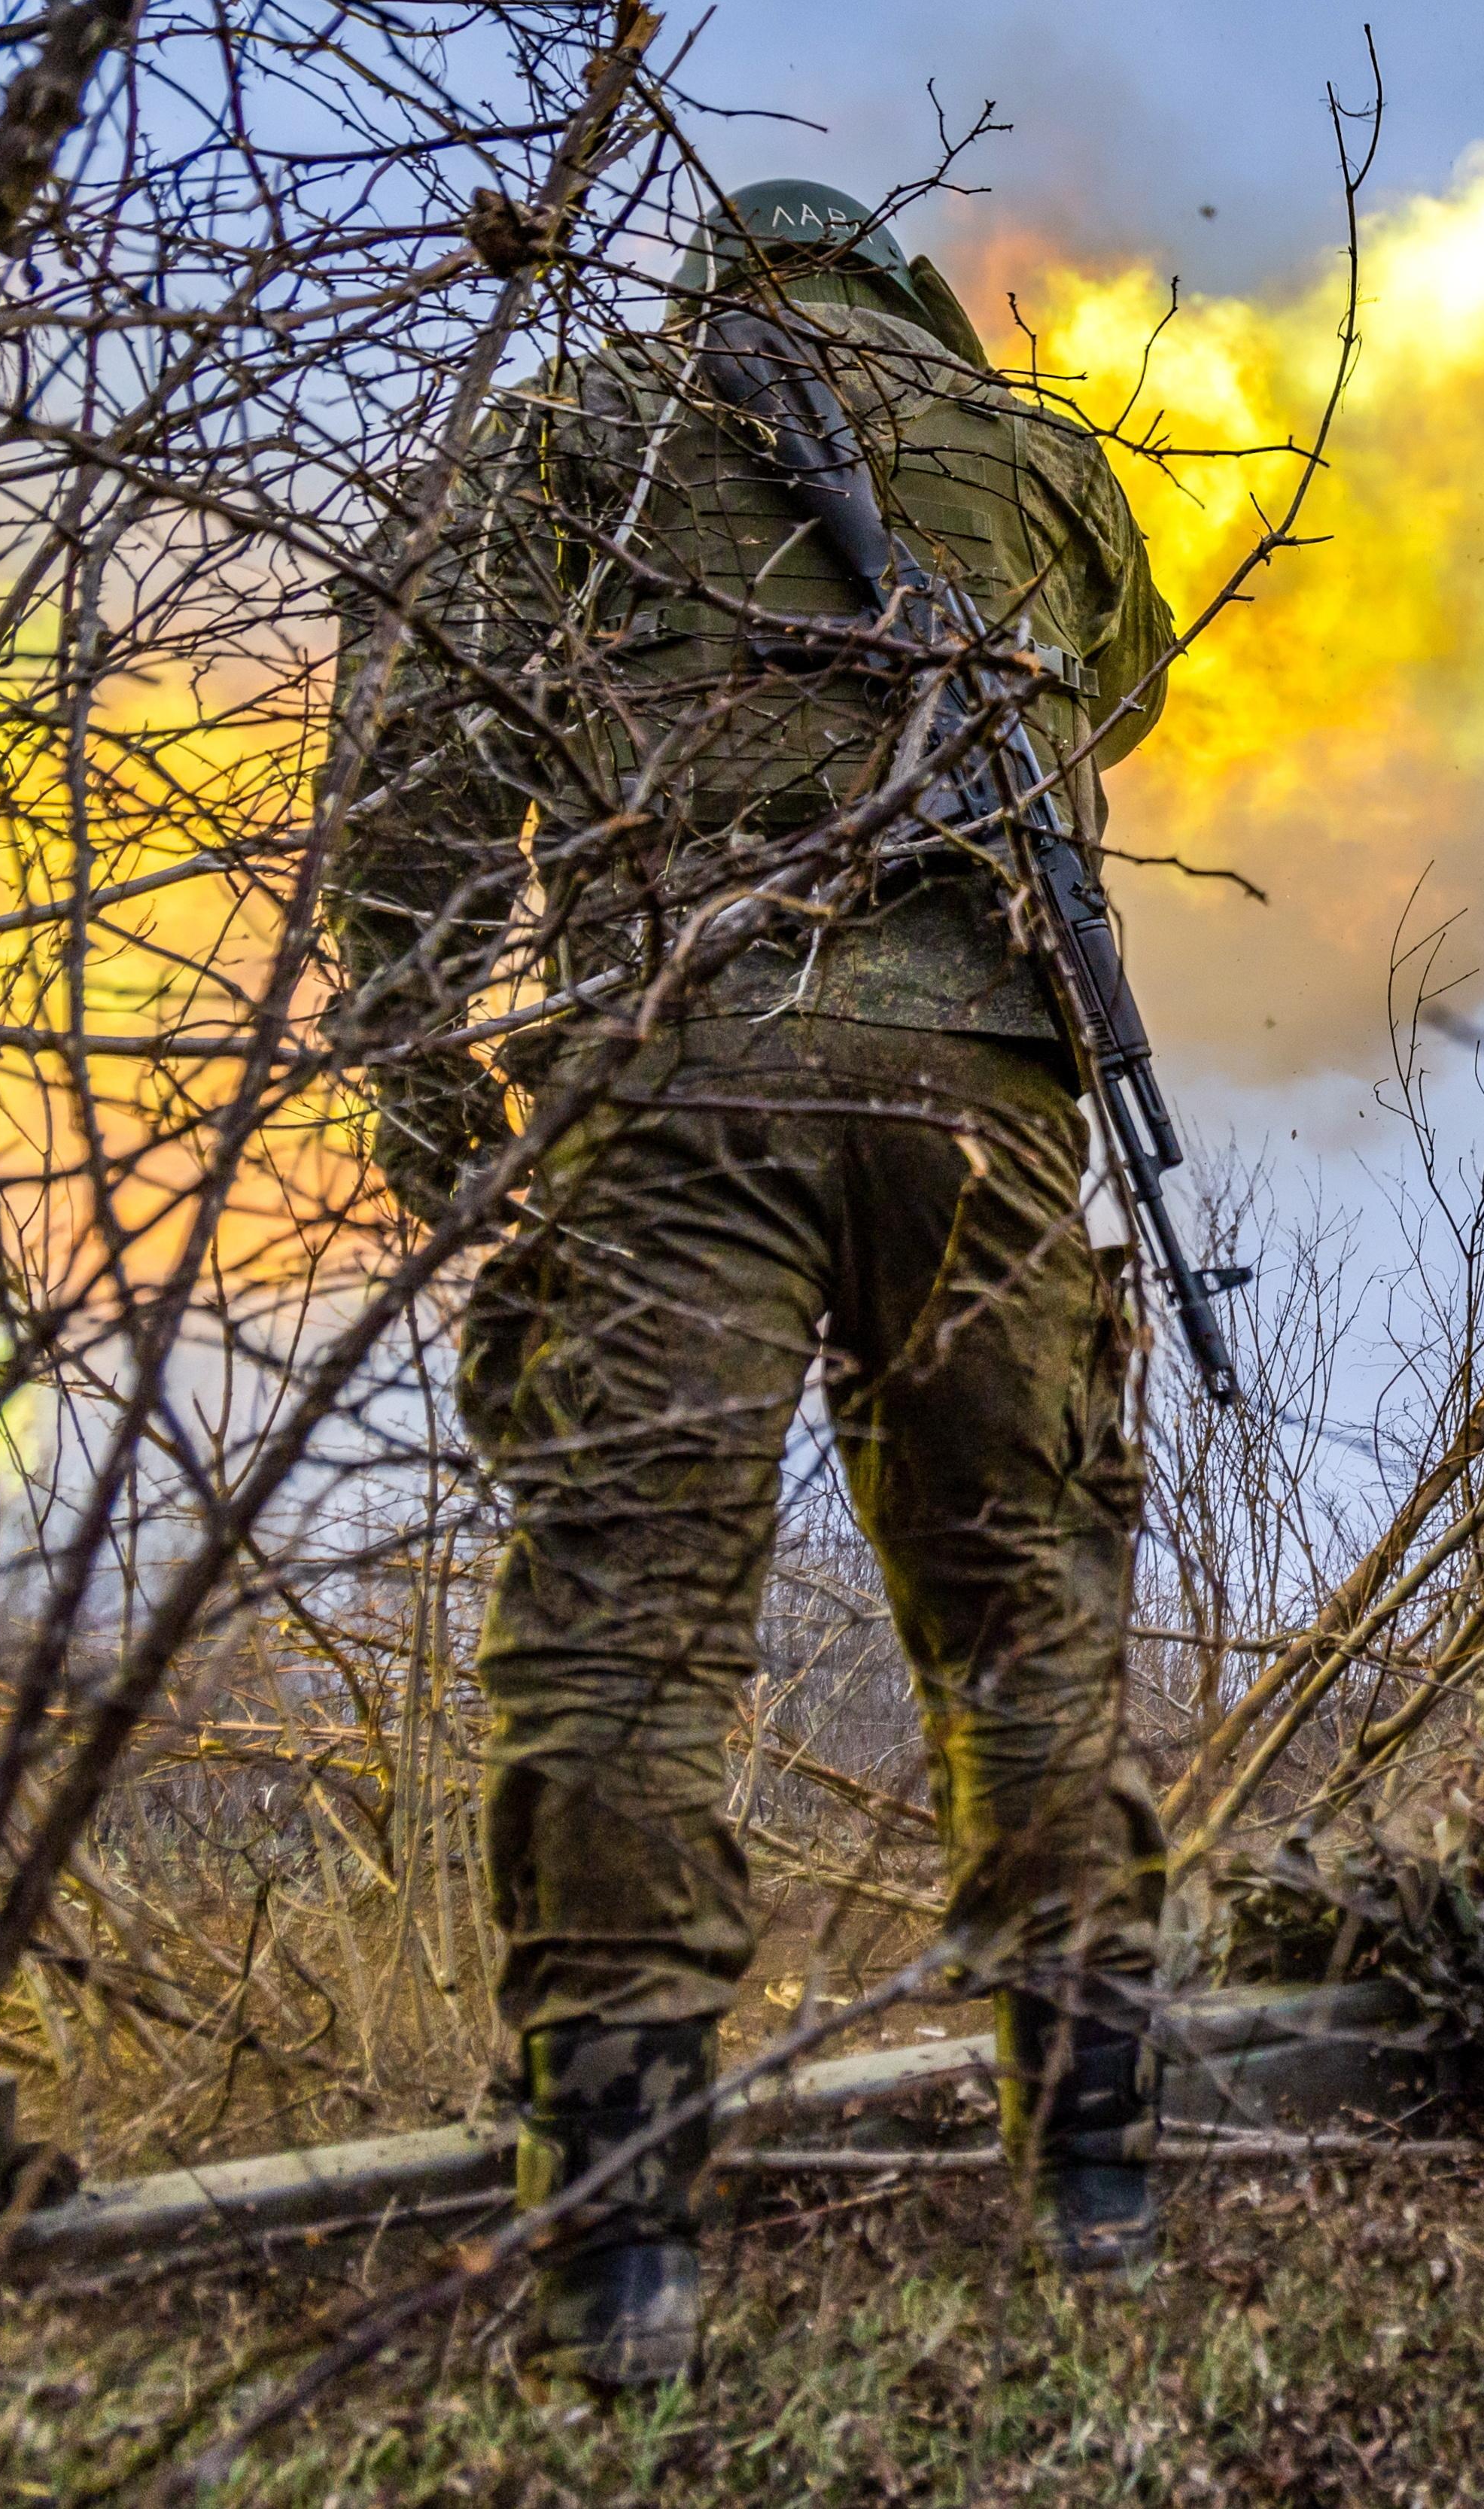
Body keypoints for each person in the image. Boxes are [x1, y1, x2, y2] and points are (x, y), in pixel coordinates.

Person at [323, 177, 1181, 2383]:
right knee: (1028, 1608)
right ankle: (1092, 2184)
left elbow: (414, 778)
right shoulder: (1043, 460)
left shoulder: (562, 438)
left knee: (623, 1631)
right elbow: (1128, 692)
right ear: (888, 294)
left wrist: (435, 1111)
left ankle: (623, 2251)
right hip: (981, 1088)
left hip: (675, 1065)